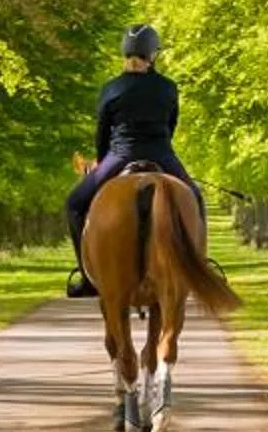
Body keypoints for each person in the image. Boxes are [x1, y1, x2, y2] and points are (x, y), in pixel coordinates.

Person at [64, 23, 202, 298]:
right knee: (195, 200)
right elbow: (170, 125)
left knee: (75, 205)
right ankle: (200, 268)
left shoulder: (111, 89)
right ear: (153, 55)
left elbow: (102, 132)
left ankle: (88, 276)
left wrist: (102, 162)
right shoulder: (168, 88)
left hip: (119, 155)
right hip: (161, 153)